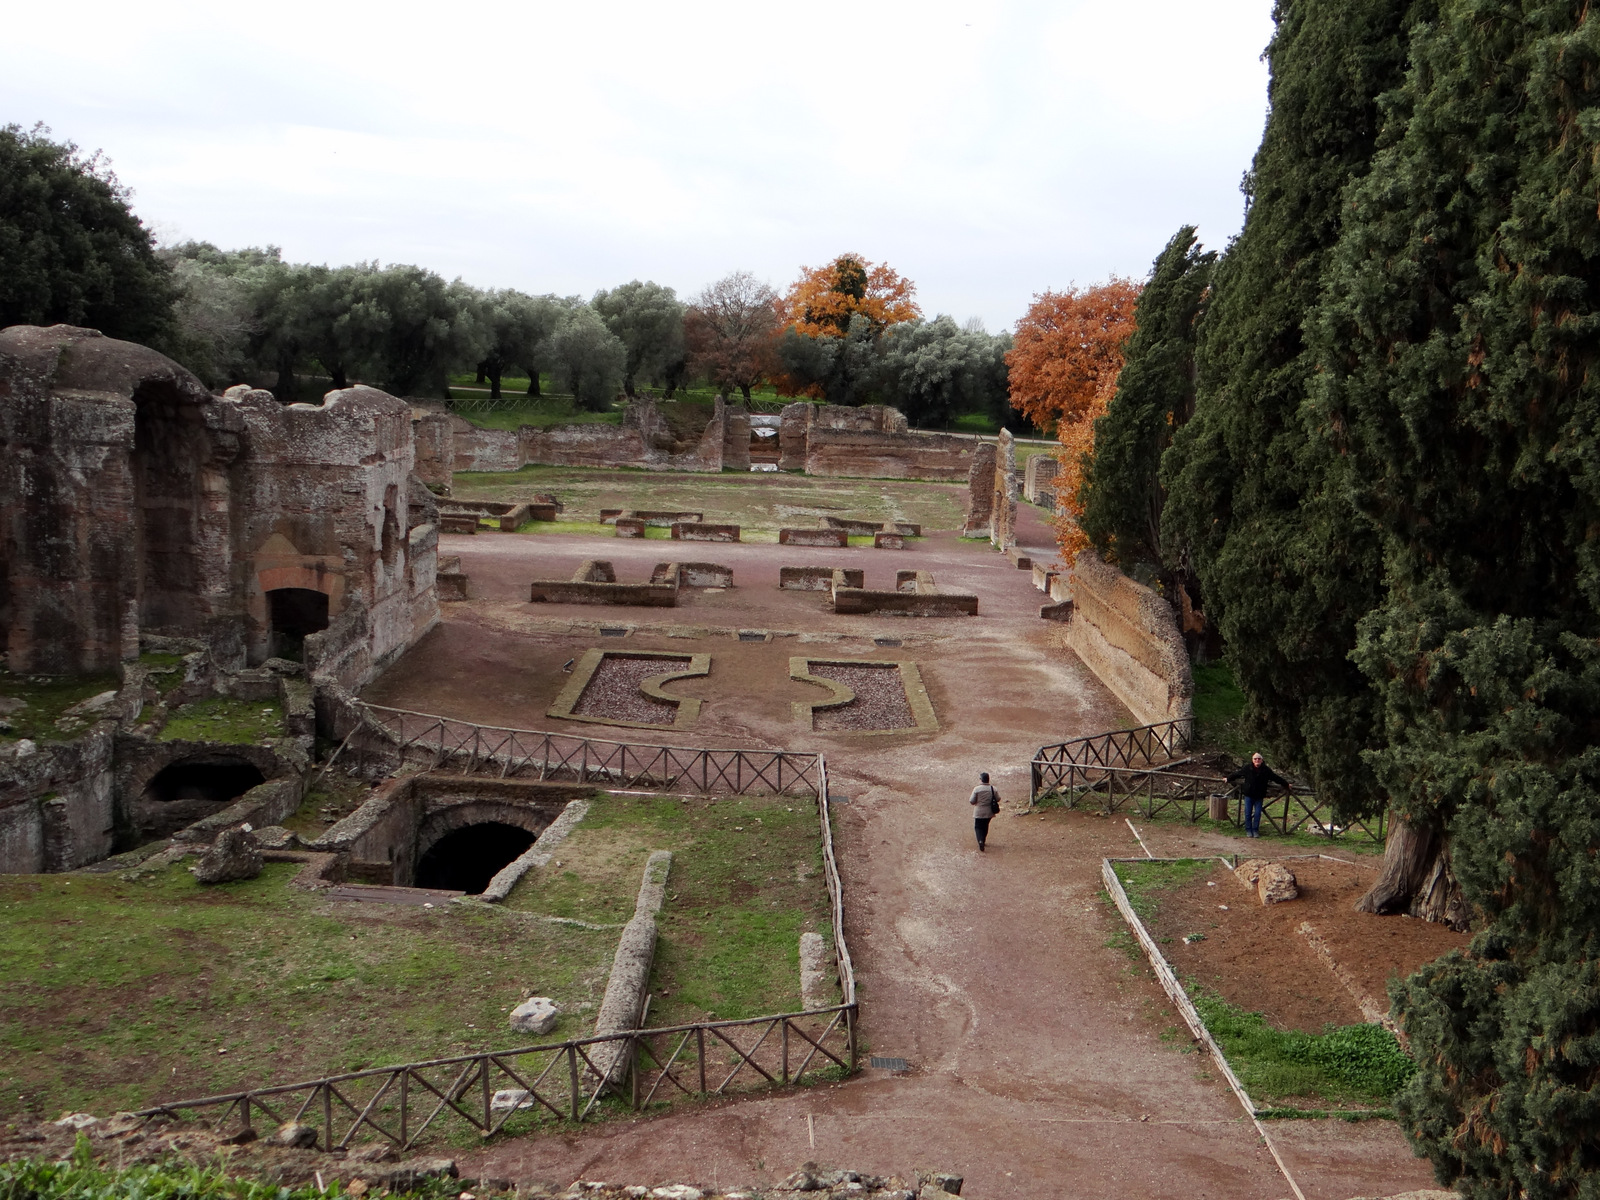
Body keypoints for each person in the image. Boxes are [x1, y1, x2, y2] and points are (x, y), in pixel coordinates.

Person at [1226, 752, 1289, 839]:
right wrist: (1228, 778)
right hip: (1249, 794)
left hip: (1259, 795)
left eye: (1259, 759)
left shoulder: (1266, 770)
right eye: (1255, 759)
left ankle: (1255, 830)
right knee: (1247, 813)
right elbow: (1238, 774)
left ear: (1262, 760)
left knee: (1257, 813)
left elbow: (1275, 778)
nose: (1257, 760)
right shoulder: (1247, 768)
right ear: (1252, 760)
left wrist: (1286, 784)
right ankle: (1248, 830)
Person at [969, 772, 1000, 851]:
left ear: (981, 780)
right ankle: (983, 839)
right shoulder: (993, 789)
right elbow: (998, 798)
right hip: (989, 812)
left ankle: (980, 840)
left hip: (979, 811)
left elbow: (972, 801)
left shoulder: (977, 789)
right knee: (985, 826)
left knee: (978, 827)